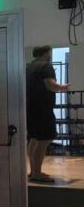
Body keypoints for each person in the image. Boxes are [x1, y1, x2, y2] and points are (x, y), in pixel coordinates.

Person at [26, 45, 69, 183]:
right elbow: (51, 85)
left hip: (30, 108)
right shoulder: (46, 66)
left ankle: (33, 171)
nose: (50, 55)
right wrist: (64, 87)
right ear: (46, 53)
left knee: (34, 139)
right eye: (49, 52)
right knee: (44, 140)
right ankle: (37, 174)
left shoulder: (29, 67)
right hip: (43, 108)